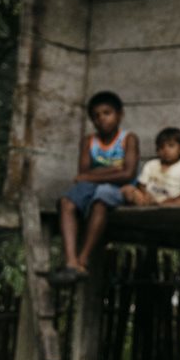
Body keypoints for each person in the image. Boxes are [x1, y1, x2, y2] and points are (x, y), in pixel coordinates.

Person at [50, 90, 139, 285]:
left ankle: (83, 259)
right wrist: (113, 169)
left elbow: (128, 174)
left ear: (120, 114)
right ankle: (71, 262)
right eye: (96, 116)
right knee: (66, 203)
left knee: (101, 200)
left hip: (119, 188)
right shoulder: (89, 141)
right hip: (91, 185)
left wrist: (94, 173)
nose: (101, 119)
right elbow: (82, 174)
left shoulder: (128, 139)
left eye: (107, 113)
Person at [121, 127, 180, 207]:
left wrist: (172, 200)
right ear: (157, 150)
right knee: (127, 189)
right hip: (149, 200)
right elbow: (141, 185)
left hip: (171, 201)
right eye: (162, 147)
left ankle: (161, 206)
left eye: (171, 146)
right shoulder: (151, 164)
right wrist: (146, 194)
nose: (166, 150)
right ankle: (151, 205)